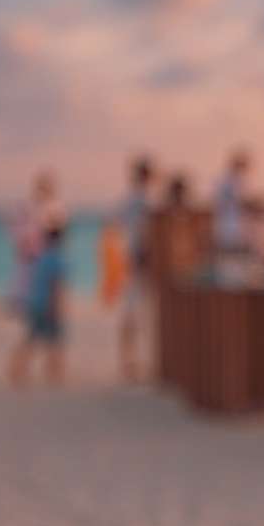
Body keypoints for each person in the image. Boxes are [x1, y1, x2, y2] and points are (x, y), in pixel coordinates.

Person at [9, 222, 68, 387]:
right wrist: (57, 307)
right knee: (55, 341)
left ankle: (17, 370)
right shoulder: (57, 258)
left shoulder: (41, 257)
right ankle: (55, 374)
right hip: (47, 306)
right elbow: (56, 286)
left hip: (35, 303)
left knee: (31, 339)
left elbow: (34, 280)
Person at [118, 156, 155, 381]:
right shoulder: (142, 199)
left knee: (132, 312)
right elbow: (145, 231)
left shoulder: (131, 198)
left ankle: (129, 362)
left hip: (133, 258)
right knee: (135, 313)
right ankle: (130, 363)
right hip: (140, 260)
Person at [6, 170, 62, 314]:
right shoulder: (28, 206)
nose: (45, 190)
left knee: (42, 285)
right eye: (43, 187)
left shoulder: (53, 207)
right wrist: (22, 242)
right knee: (25, 282)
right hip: (31, 252)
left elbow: (57, 231)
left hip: (44, 253)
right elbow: (16, 226)